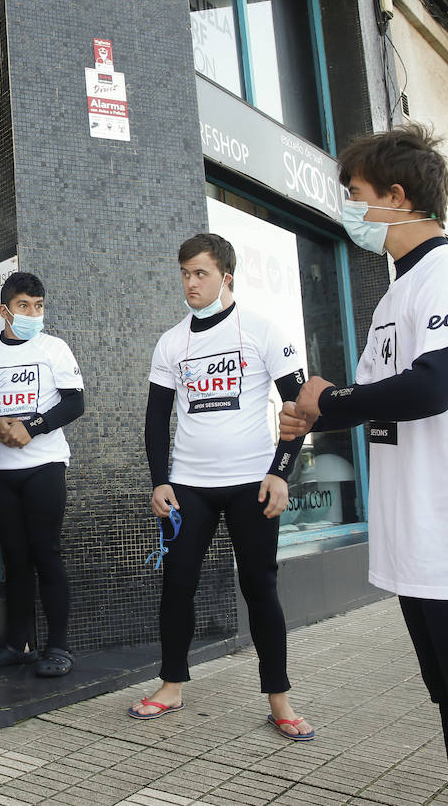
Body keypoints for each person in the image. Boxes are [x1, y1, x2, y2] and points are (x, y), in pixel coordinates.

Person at [280, 125, 448, 802]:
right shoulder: (397, 295)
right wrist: (318, 411)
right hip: (417, 543)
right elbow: (375, 400)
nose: (347, 207)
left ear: (396, 197)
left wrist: (331, 399)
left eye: (355, 194)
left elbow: (434, 386)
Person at [128, 233, 313, 741]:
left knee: (260, 587)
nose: (190, 283)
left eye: (200, 273)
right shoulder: (171, 342)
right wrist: (159, 480)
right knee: (177, 584)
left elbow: (299, 407)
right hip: (190, 486)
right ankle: (171, 685)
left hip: (252, 484)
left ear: (226, 277)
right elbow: (155, 419)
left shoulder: (262, 331)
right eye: (185, 273)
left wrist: (281, 471)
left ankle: (280, 699)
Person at [0, 272, 84, 677]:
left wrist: (32, 426)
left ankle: (59, 647)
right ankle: (17, 644)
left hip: (44, 467)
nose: (33, 314)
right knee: (16, 560)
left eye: (38, 306)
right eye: (24, 306)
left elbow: (75, 403)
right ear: (4, 310)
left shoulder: (53, 348)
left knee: (46, 554)